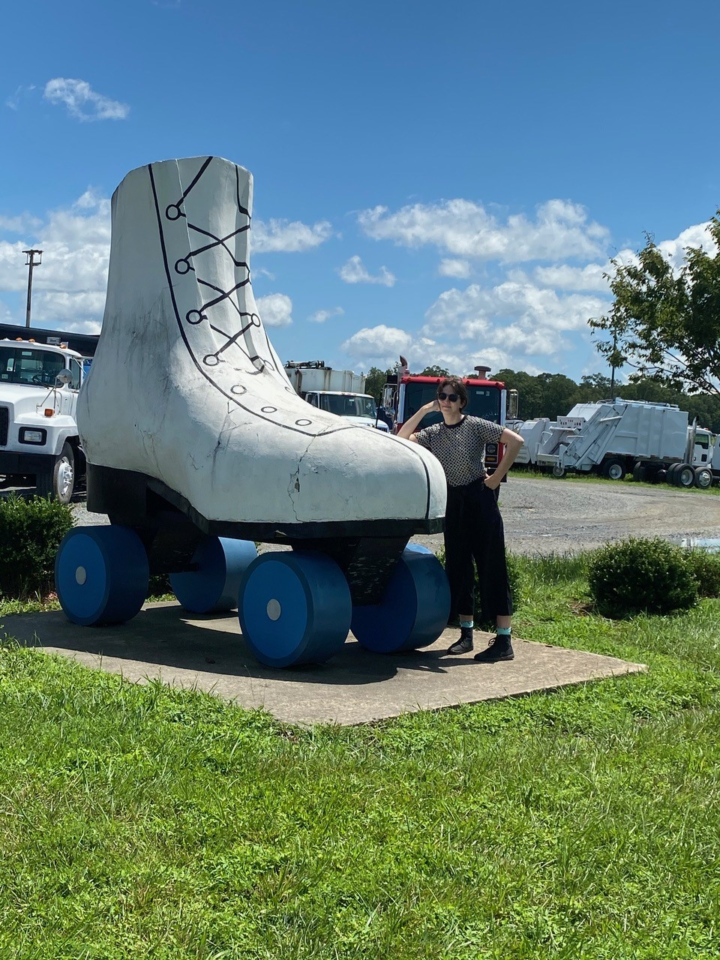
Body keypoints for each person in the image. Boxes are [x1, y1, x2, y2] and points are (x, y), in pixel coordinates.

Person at [398, 377, 524, 661]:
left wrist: (495, 478)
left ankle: (504, 640)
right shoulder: (433, 432)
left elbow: (516, 441)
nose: (446, 402)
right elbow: (402, 439)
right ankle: (466, 634)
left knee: (491, 564)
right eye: (442, 396)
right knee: (458, 566)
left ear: (462, 402)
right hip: (453, 501)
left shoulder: (475, 425)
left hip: (479, 497)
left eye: (452, 397)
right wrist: (422, 412)